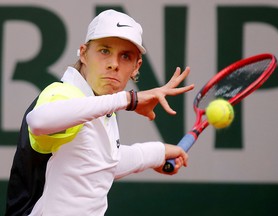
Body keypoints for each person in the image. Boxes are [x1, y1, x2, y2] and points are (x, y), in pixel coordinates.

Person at [5, 9, 194, 216]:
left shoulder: (99, 105)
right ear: (84, 53)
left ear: (136, 66)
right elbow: (39, 121)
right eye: (104, 51)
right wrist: (129, 100)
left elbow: (95, 163)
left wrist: (156, 153)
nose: (114, 64)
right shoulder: (63, 94)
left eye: (125, 56)